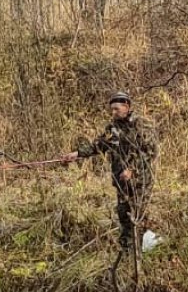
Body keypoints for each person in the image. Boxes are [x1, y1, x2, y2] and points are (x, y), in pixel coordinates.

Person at [59, 92, 158, 253]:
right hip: (121, 181)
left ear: (126, 106)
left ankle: (139, 254)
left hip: (140, 181)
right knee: (123, 214)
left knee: (138, 215)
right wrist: (76, 154)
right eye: (111, 110)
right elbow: (98, 146)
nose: (113, 113)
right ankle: (127, 252)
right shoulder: (112, 128)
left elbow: (151, 152)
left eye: (116, 109)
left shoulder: (142, 124)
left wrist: (132, 170)